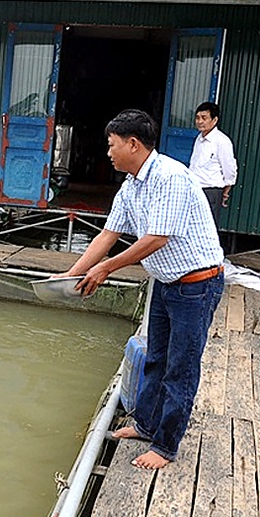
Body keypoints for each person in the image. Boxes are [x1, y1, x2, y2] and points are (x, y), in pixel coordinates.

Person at [57, 109, 224, 470]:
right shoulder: (131, 185)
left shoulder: (170, 177)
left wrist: (106, 268)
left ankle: (165, 446)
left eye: (111, 145)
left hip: (196, 285)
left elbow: (155, 239)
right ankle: (146, 424)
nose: (108, 152)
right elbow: (108, 234)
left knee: (180, 367)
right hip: (166, 283)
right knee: (155, 358)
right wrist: (70, 275)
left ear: (133, 144)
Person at [189, 102, 238, 225]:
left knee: (207, 228)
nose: (200, 121)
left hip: (211, 192)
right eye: (198, 118)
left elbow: (229, 169)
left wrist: (226, 191)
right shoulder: (199, 139)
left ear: (214, 120)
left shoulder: (222, 141)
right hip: (195, 190)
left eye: (204, 118)